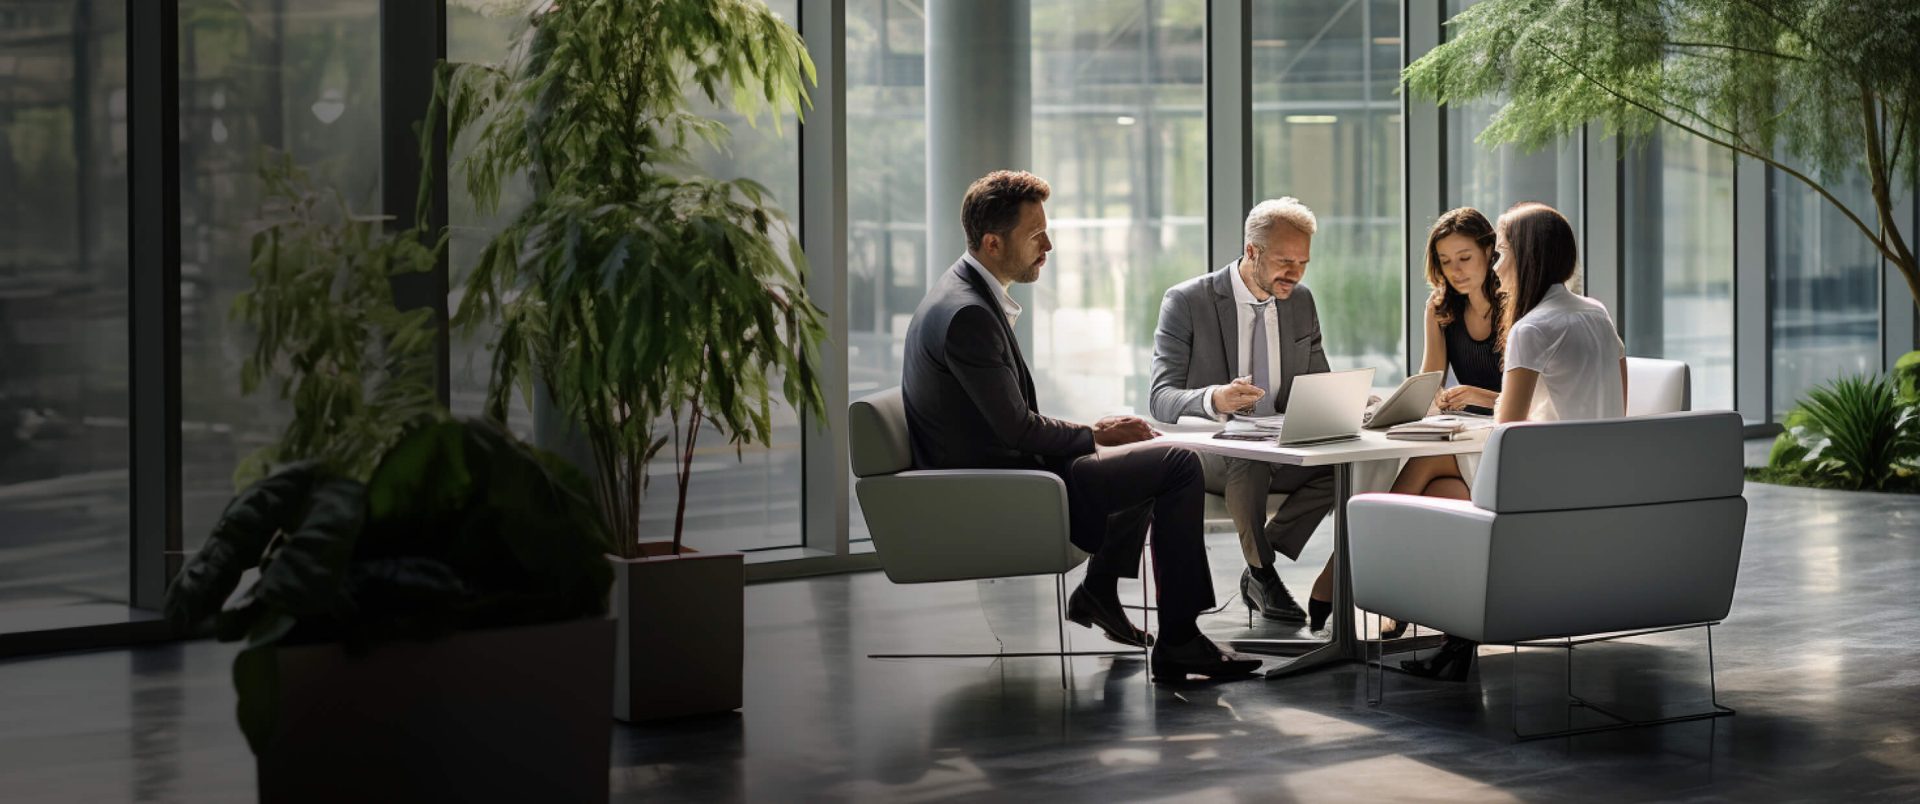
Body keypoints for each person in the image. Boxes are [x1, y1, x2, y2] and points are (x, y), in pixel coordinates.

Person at [903, 170, 1261, 683]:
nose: (1048, 246)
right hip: (1007, 488)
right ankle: (1179, 640)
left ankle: (1099, 592)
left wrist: (1099, 435)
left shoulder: (960, 293)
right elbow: (1017, 432)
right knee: (1178, 463)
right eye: (1035, 236)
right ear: (992, 242)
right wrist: (1094, 435)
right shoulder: (968, 316)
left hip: (1008, 470)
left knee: (1143, 452)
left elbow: (1009, 424)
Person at [1399, 201, 1628, 681]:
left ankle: (1377, 585)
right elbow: (1618, 408)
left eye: (1500, 252)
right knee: (1443, 490)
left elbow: (1509, 432)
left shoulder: (1531, 328)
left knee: (1430, 485)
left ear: (1527, 256)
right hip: (1599, 484)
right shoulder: (1597, 314)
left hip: (1540, 487)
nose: (1496, 264)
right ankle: (1454, 645)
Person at [1148, 198, 1336, 629]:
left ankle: (1259, 558)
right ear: (1252, 251)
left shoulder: (1301, 302)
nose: (1295, 273)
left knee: (1345, 468)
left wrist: (1349, 405)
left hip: (1282, 446)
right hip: (1214, 451)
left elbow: (1317, 384)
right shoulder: (1187, 301)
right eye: (1285, 260)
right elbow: (1160, 398)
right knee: (1246, 457)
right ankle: (1266, 575)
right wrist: (1215, 398)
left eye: (1303, 262)